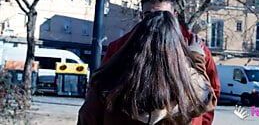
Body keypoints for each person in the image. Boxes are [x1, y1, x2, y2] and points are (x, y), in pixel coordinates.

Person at [102, 0, 221, 125]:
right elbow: (102, 92)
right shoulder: (120, 46)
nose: (155, 20)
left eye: (162, 14)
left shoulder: (196, 47)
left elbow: (211, 92)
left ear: (174, 15)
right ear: (141, 16)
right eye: (149, 15)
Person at [78, 11, 216, 124]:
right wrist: (196, 59)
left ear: (135, 42)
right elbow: (207, 97)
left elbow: (87, 119)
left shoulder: (108, 82)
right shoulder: (189, 89)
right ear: (177, 48)